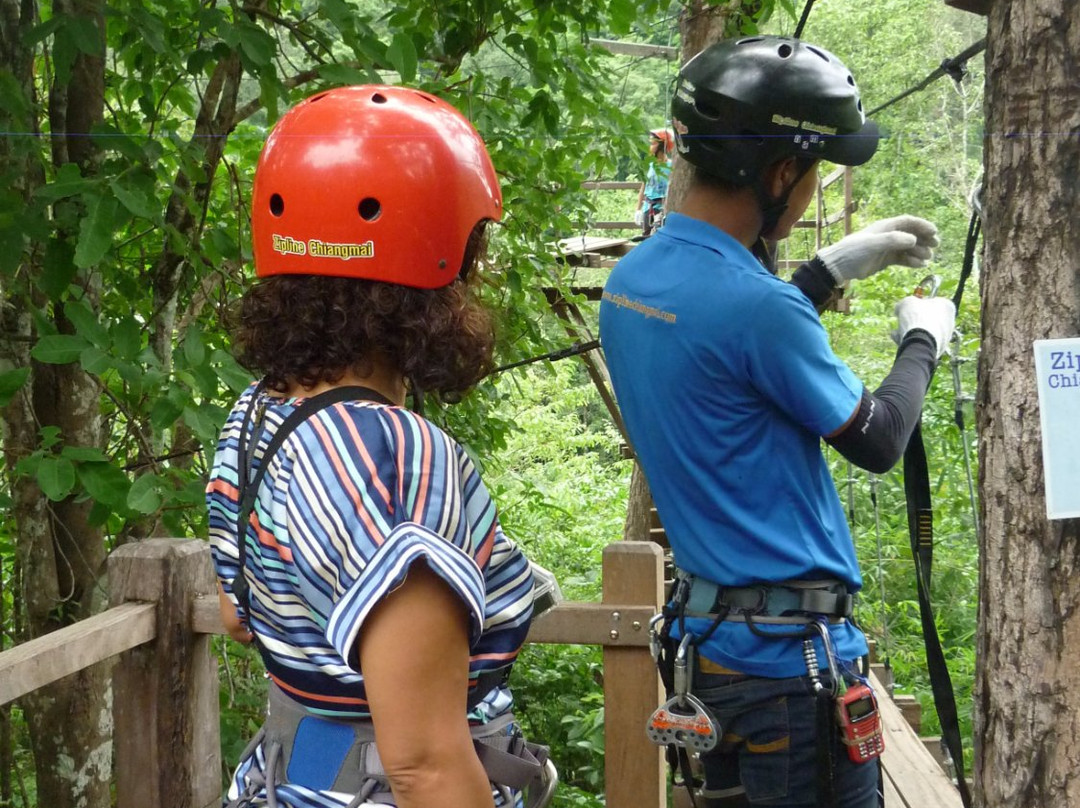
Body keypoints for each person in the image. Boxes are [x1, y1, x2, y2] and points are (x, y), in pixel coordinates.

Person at [599, 36, 955, 808]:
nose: (813, 186)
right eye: (816, 168)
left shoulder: (631, 282)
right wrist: (924, 338)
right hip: (791, 674)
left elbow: (727, 339)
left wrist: (828, 270)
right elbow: (878, 439)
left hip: (711, 656)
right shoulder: (759, 307)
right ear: (781, 171)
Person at [207, 85, 549, 808]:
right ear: (437, 263)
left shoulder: (260, 412)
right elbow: (423, 764)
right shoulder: (396, 458)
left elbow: (240, 615)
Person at [634, 127, 674, 237]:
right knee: (646, 237)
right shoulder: (649, 165)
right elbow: (643, 188)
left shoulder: (672, 167)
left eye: (653, 144)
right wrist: (638, 210)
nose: (650, 147)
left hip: (662, 208)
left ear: (662, 146)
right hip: (648, 207)